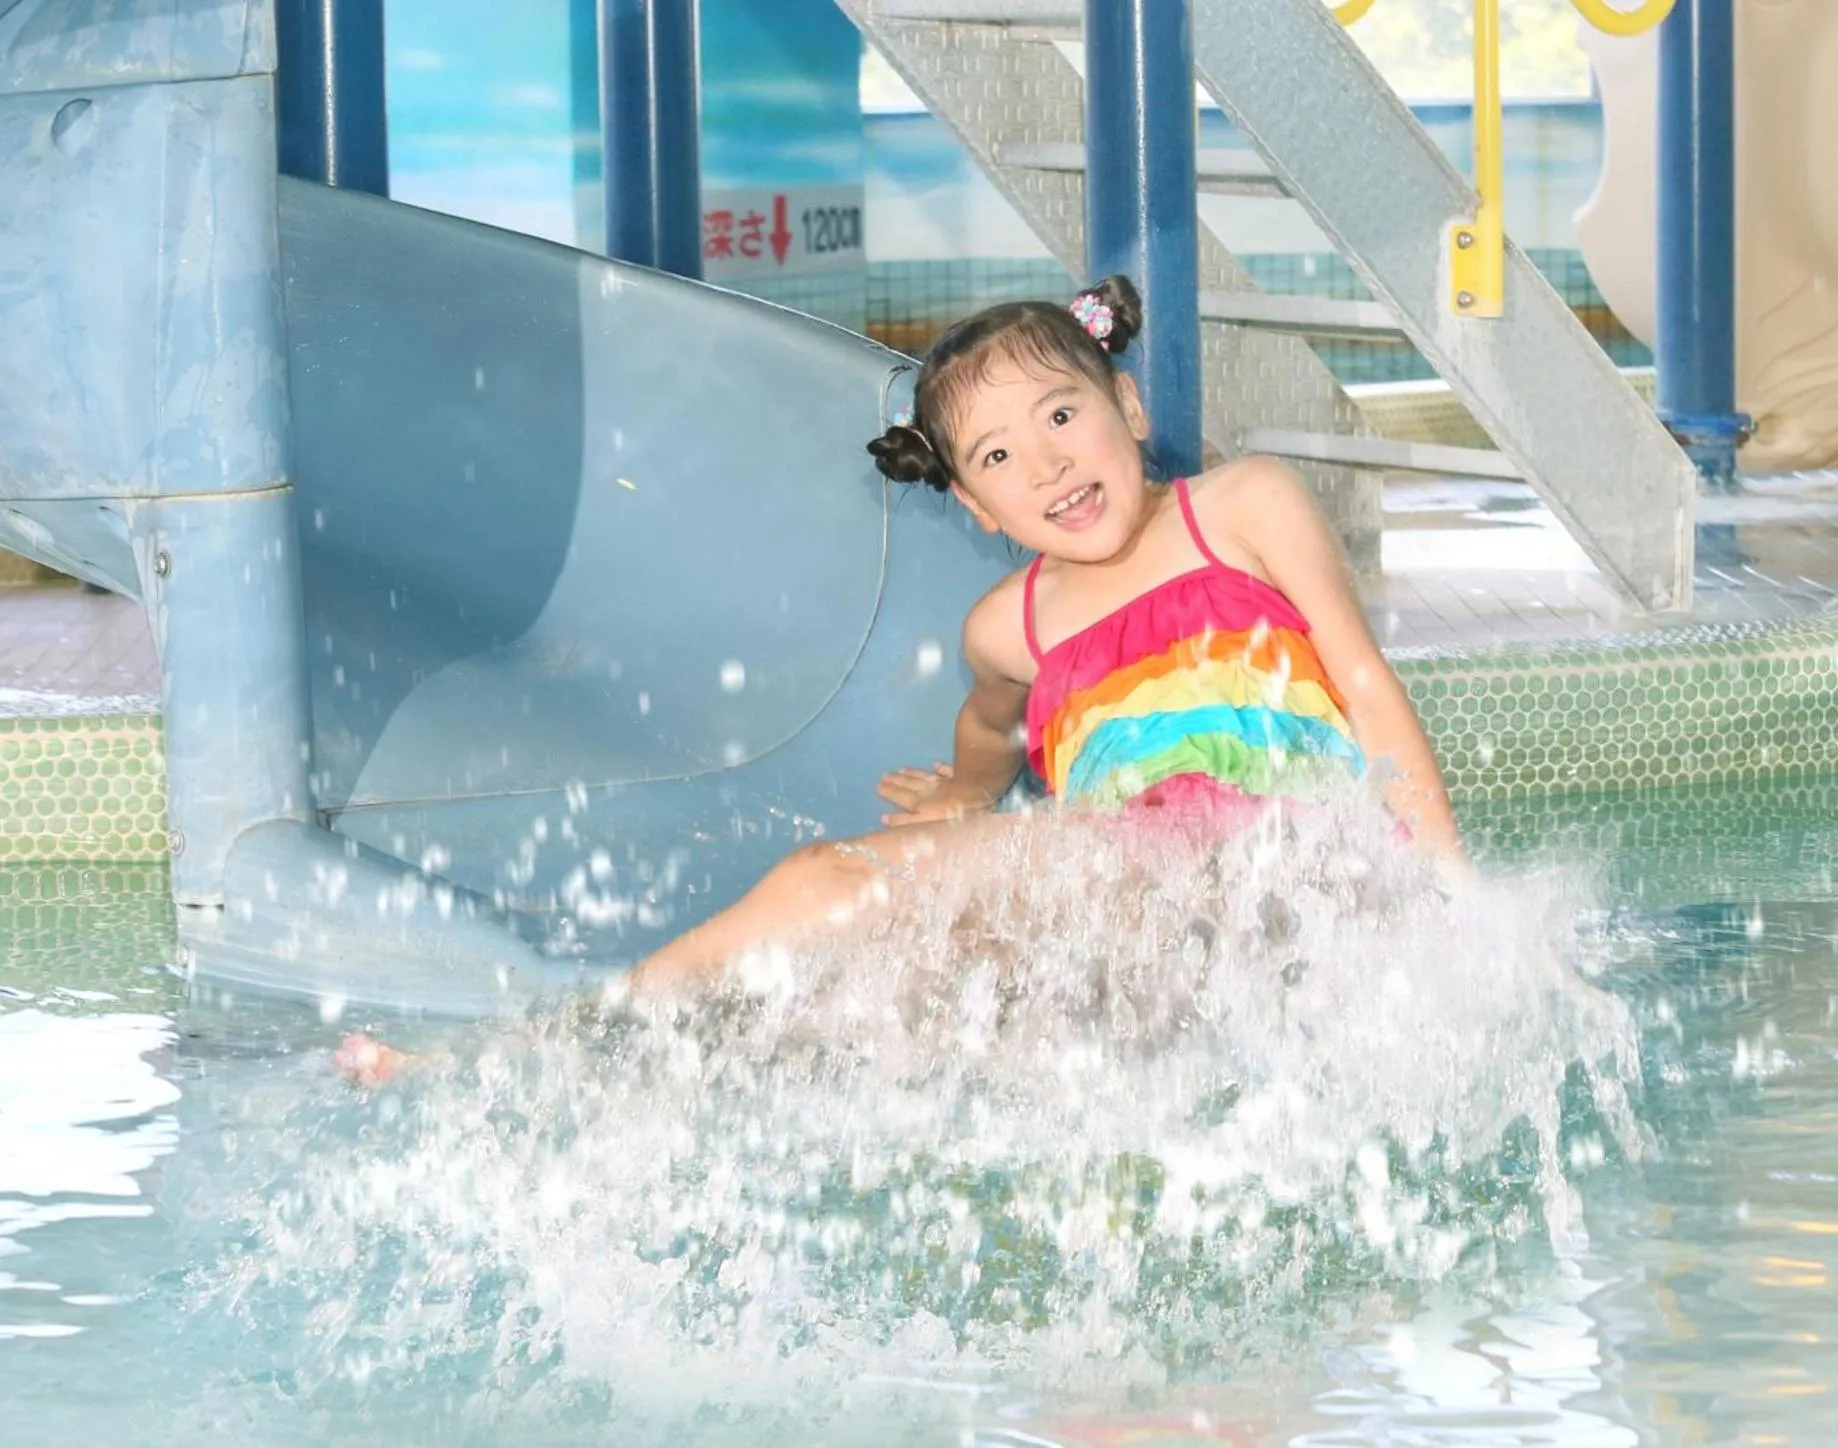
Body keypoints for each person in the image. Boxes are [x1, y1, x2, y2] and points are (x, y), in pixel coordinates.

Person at [337, 276, 1460, 1082]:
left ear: (1129, 408)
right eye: (999, 456)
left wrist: (1452, 900)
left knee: (826, 883)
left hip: (1282, 868)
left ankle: (523, 1061)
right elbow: (991, 729)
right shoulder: (1008, 626)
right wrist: (964, 798)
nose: (1048, 463)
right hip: (1134, 906)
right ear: (973, 505)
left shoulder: (1241, 506)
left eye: (1062, 415)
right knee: (862, 999)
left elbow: (1362, 683)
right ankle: (571, 1067)